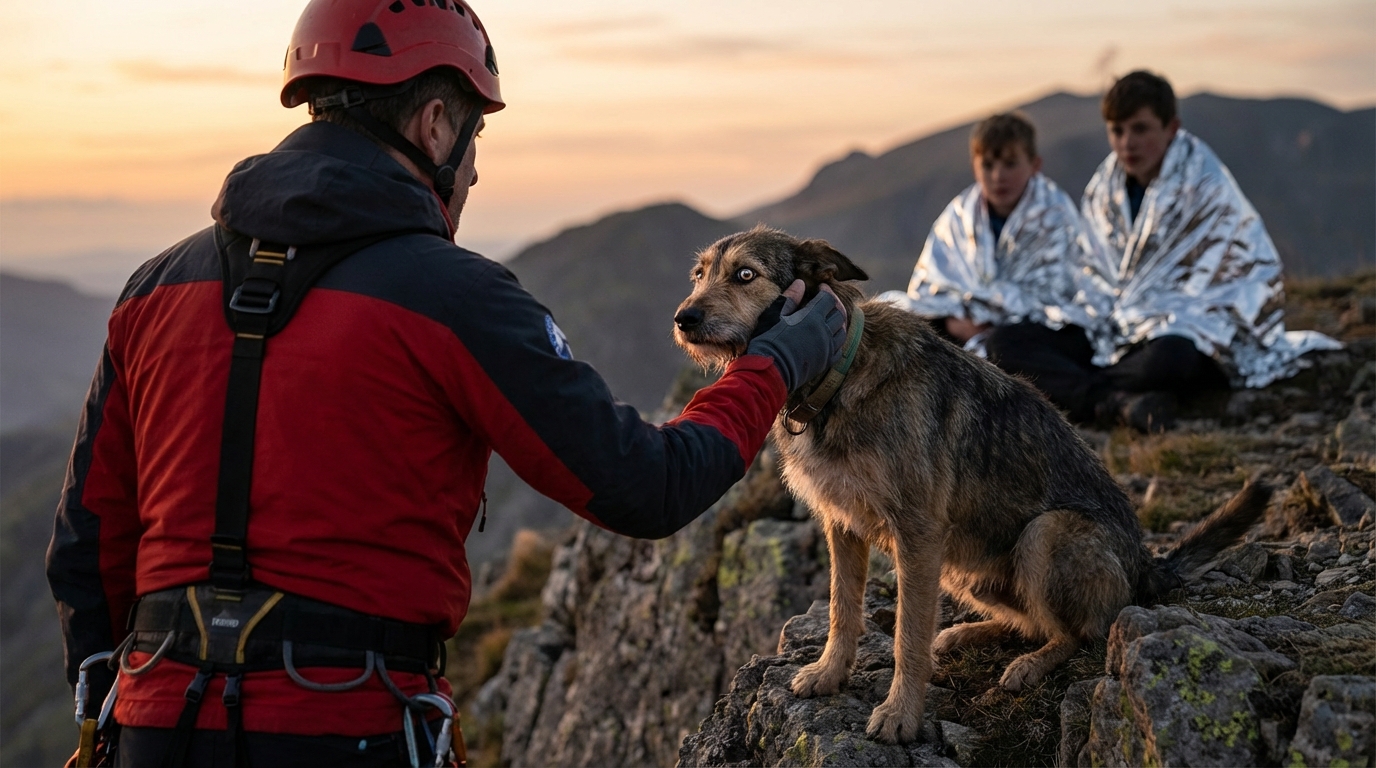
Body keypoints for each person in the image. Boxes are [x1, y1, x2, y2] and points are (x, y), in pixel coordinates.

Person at [45, 1, 845, 765]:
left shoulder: (154, 288)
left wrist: (119, 706)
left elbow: (87, 543)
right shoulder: (454, 295)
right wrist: (775, 364)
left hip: (152, 724)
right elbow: (648, 486)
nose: (474, 173)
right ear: (435, 125)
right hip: (349, 727)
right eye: (474, 137)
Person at [986, 71, 1341, 431]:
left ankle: (1083, 392)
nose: (1127, 143)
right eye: (1117, 131)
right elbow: (1089, 273)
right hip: (1110, 327)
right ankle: (1115, 400)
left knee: (1172, 358)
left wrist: (1161, 317)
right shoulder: (1103, 190)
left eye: (1140, 129)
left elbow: (1234, 283)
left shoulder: (1206, 185)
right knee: (1005, 342)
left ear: (1171, 128)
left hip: (1178, 332)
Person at [879, 113, 1112, 370]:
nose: (998, 176)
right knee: (890, 309)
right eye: (988, 165)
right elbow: (931, 287)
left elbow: (1060, 298)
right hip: (961, 326)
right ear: (974, 167)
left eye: (1010, 164)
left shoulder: (1056, 215)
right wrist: (955, 322)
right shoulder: (959, 216)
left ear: (1035, 165)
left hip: (1031, 333)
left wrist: (990, 318)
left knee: (1005, 344)